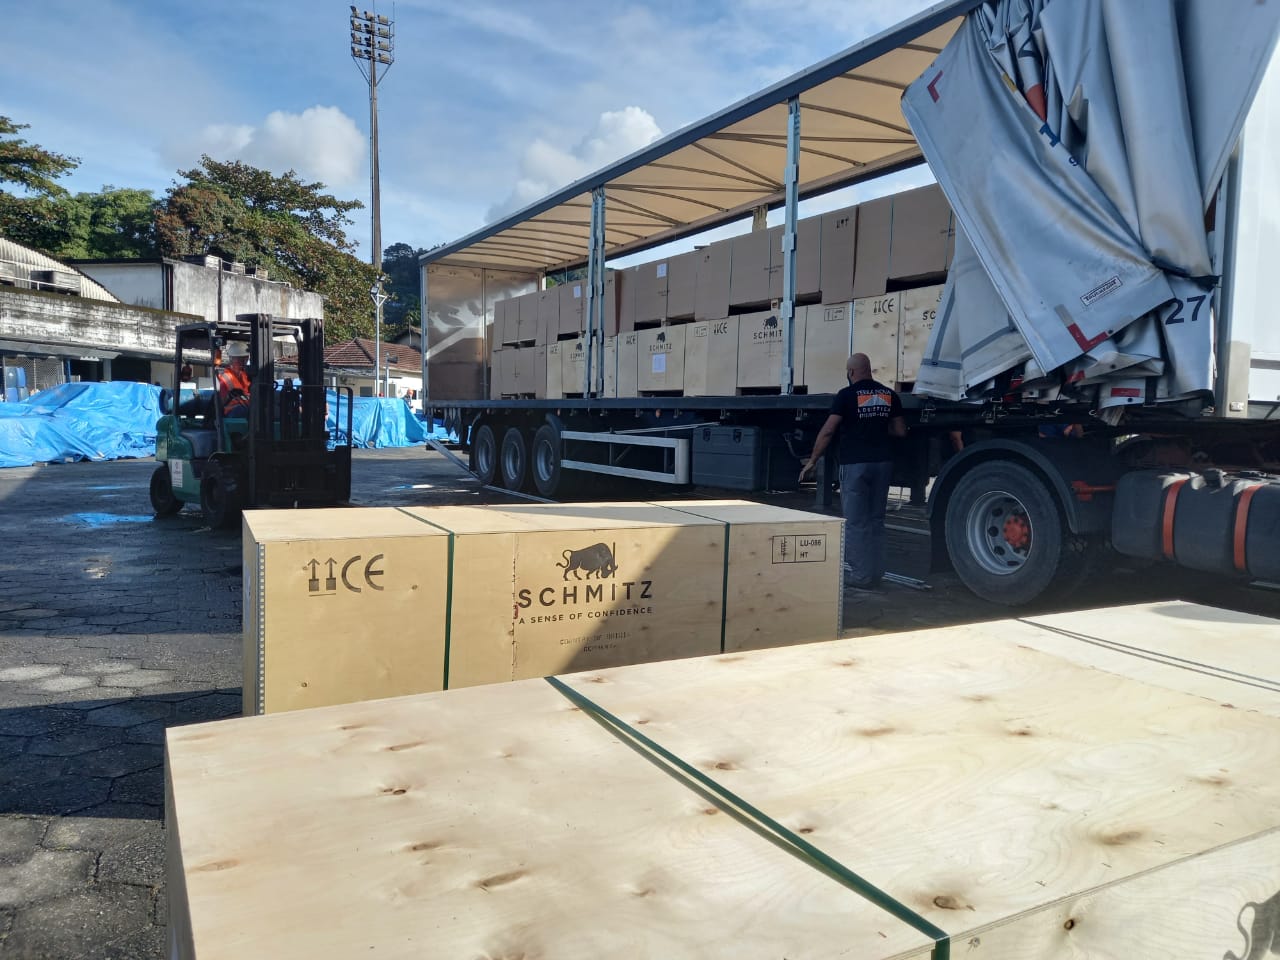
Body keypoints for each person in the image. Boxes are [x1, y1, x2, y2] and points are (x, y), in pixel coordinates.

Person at [800, 353, 907, 591]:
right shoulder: (889, 394)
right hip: (882, 464)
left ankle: (861, 576)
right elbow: (900, 431)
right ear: (869, 369)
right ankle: (876, 573)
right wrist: (877, 430)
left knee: (857, 522)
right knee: (876, 519)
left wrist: (813, 460)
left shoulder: (846, 395)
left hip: (856, 464)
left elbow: (828, 431)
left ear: (851, 372)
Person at [216, 341, 251, 418]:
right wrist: (230, 396)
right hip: (231, 412)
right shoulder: (224, 377)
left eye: (245, 359)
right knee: (244, 411)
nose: (243, 362)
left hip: (247, 408)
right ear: (231, 359)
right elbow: (220, 403)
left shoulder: (246, 375)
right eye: (239, 359)